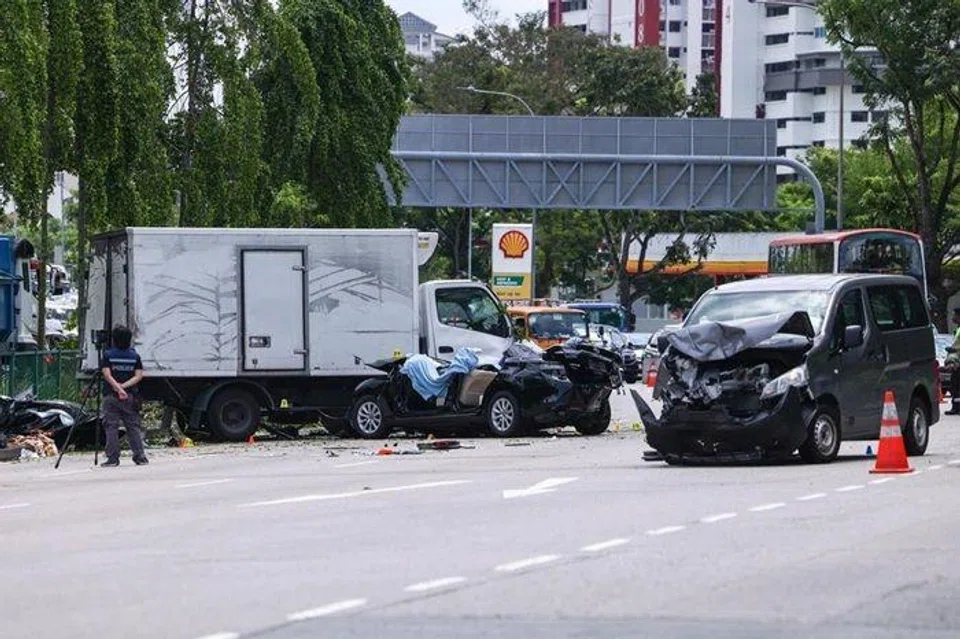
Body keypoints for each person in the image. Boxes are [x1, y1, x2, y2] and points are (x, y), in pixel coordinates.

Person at [100, 325, 147, 466]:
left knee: (111, 426)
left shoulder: (108, 355)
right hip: (130, 396)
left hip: (111, 395)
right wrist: (124, 387)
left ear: (114, 339)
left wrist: (117, 388)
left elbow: (107, 374)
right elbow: (139, 375)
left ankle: (113, 458)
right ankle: (140, 456)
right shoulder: (134, 356)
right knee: (133, 426)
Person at [946, 309, 960, 415]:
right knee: (955, 386)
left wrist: (953, 350)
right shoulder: (958, 329)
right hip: (957, 362)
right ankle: (956, 407)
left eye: (955, 315)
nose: (953, 317)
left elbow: (957, 346)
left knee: (956, 386)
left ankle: (956, 408)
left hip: (958, 363)